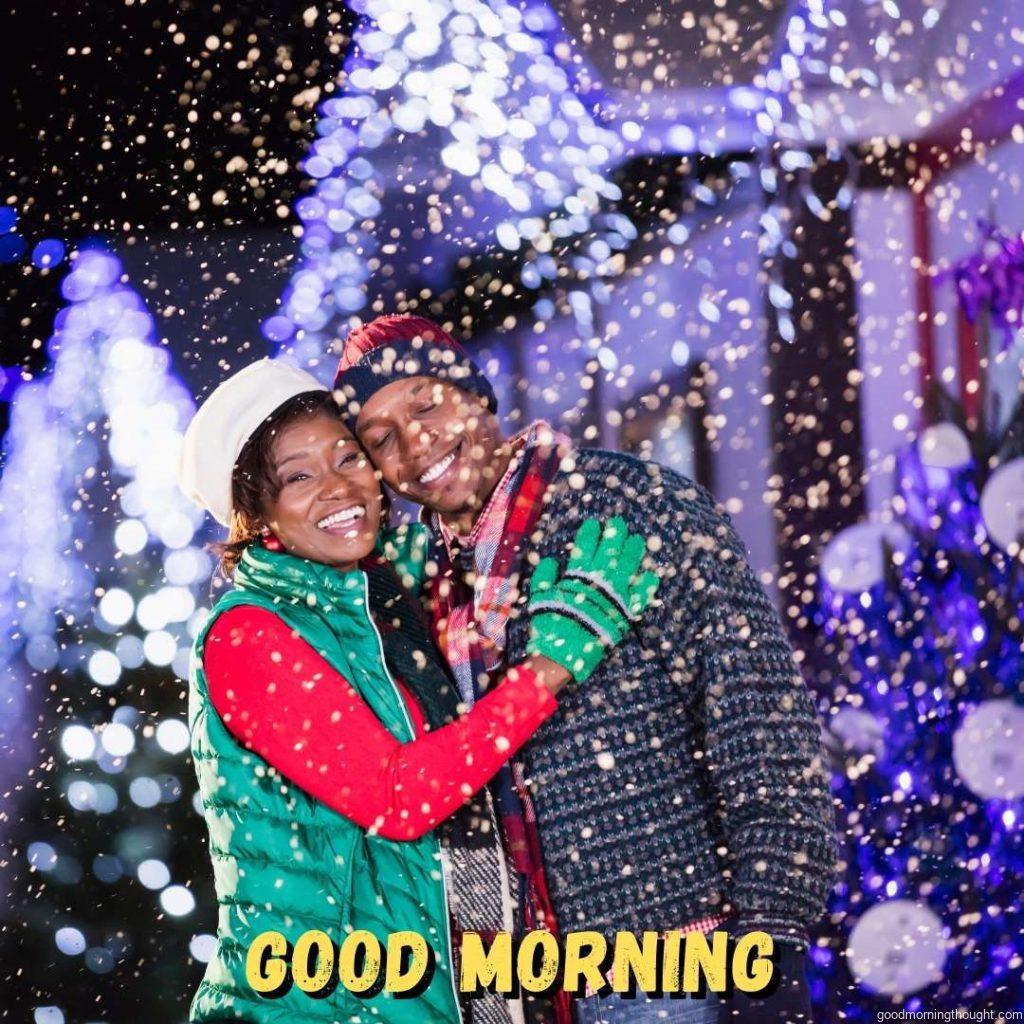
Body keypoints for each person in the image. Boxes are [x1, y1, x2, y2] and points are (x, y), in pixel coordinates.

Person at [334, 315, 839, 1024]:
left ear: (475, 394)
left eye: (425, 402)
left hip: (670, 971)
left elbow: (763, 732)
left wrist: (770, 942)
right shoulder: (418, 582)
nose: (414, 441)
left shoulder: (631, 505)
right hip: (511, 987)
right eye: (380, 437)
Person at [176, 358, 661, 1024]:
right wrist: (551, 665)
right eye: (297, 476)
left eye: (348, 457)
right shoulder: (247, 635)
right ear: (257, 516)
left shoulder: (373, 606)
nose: (337, 488)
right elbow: (400, 799)